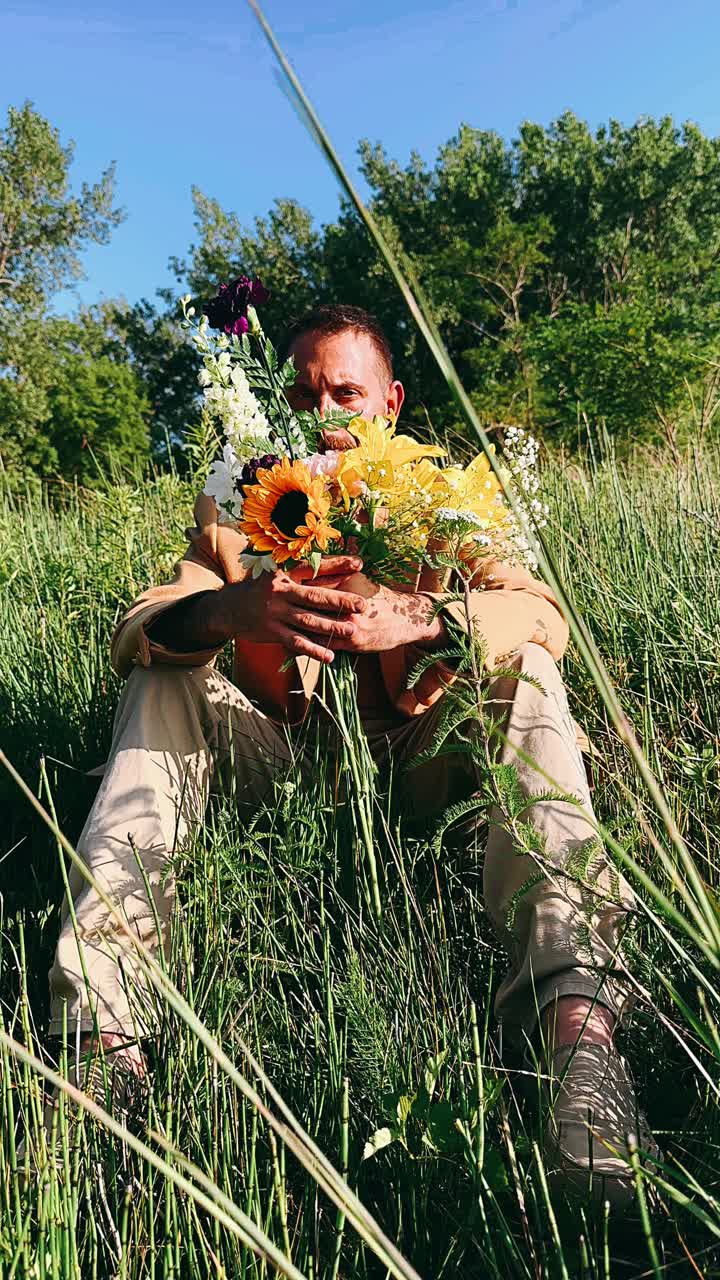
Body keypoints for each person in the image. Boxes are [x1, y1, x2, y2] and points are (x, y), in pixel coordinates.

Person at [48, 304, 655, 1204]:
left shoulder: (442, 498)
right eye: (301, 393)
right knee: (164, 673)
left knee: (527, 666)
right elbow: (141, 624)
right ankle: (104, 1040)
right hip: (281, 769)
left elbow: (542, 612)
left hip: (421, 764)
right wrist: (231, 612)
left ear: (392, 401)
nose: (324, 411)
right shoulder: (240, 501)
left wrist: (430, 618)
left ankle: (578, 1038)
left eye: (346, 392)